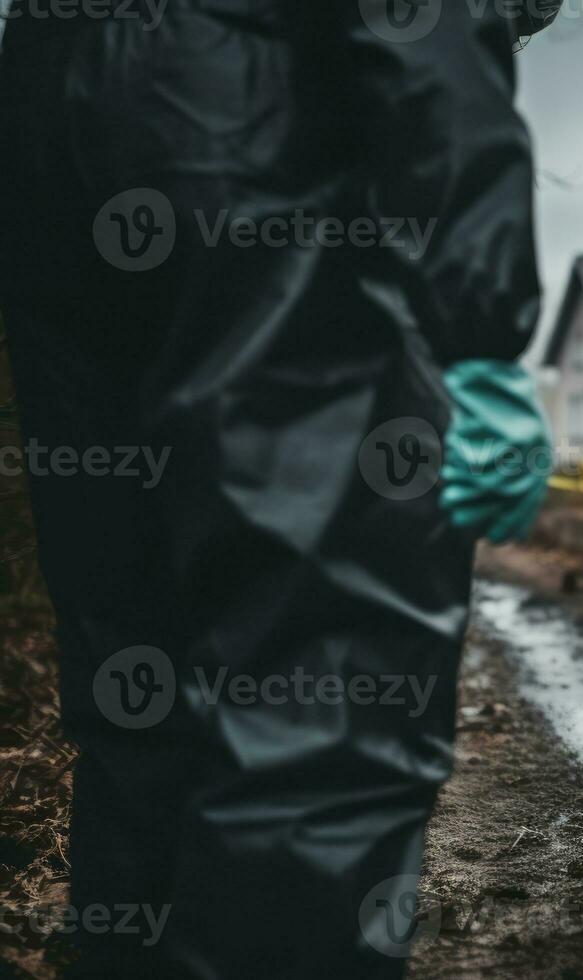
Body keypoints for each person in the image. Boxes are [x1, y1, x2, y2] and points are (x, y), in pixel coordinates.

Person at [0, 4, 554, 978]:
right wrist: (484, 321)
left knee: (141, 687)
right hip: (265, 111)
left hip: (53, 102)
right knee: (314, 700)